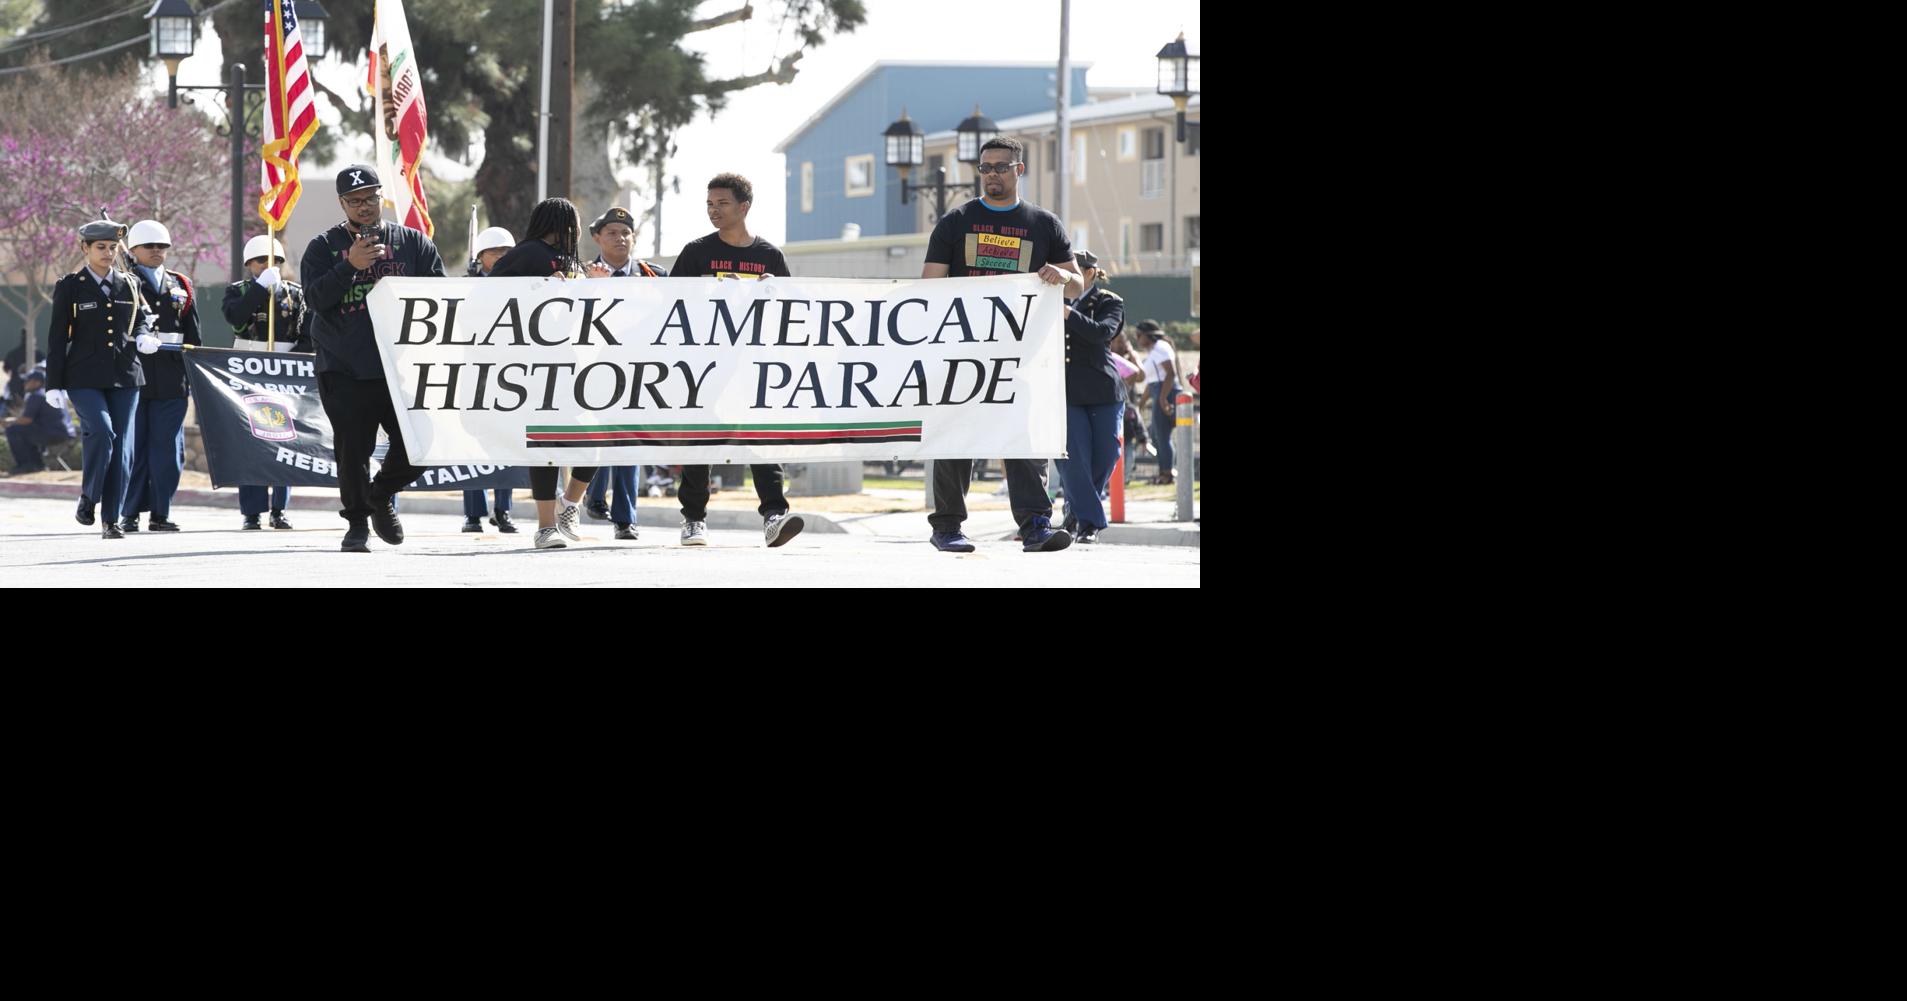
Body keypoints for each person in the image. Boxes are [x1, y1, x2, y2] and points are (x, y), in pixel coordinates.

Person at [920, 136, 1083, 553]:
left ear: (1019, 170)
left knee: (1025, 438)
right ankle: (947, 528)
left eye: (1000, 167)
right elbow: (929, 287)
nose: (992, 174)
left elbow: (1077, 282)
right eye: (985, 167)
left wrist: (1062, 277)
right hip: (963, 351)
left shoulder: (1044, 224)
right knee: (955, 437)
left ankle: (1035, 528)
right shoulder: (956, 222)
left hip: (1023, 354)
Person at [301, 164, 446, 552]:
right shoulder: (323, 247)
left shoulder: (414, 243)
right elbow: (314, 300)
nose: (363, 207)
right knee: (353, 451)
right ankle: (357, 526)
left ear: (382, 196)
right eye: (354, 201)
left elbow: (440, 300)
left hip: (401, 367)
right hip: (344, 367)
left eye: (370, 197)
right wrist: (350, 266)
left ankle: (379, 495)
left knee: (424, 444)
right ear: (342, 204)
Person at [667, 174, 804, 548]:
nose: (714, 210)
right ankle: (693, 519)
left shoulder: (769, 257)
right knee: (701, 440)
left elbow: (789, 311)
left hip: (754, 364)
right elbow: (670, 304)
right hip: (705, 362)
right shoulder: (696, 252)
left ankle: (774, 515)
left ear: (744, 207)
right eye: (709, 204)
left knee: (761, 437)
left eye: (722, 203)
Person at [486, 198, 599, 550]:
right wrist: (537, 289)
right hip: (534, 363)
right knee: (546, 443)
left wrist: (596, 285)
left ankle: (569, 504)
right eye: (574, 224)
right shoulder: (526, 253)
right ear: (563, 223)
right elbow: (490, 294)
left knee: (595, 440)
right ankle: (545, 526)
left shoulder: (573, 261)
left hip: (574, 361)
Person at [46, 215, 152, 539]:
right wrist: (53, 383)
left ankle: (111, 521)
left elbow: (140, 320)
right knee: (103, 433)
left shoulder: (131, 283)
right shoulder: (70, 286)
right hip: (84, 376)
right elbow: (56, 337)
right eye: (101, 247)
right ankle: (89, 496)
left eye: (113, 247)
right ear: (85, 248)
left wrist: (146, 335)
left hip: (126, 375)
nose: (108, 253)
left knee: (122, 450)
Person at [579, 205, 668, 541]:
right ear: (597, 238)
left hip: (639, 371)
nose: (620, 238)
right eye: (612, 232)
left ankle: (625, 518)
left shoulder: (653, 276)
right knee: (598, 439)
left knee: (628, 440)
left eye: (625, 232)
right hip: (593, 371)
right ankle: (594, 493)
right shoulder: (582, 276)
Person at [118, 219, 201, 533]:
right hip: (134, 375)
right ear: (134, 250)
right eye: (149, 246)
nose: (156, 251)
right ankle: (129, 512)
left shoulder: (181, 283)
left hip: (171, 377)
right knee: (135, 448)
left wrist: (194, 376)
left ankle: (161, 512)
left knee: (167, 450)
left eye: (162, 246)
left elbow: (194, 334)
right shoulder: (123, 282)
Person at [225, 234, 310, 530]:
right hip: (248, 371)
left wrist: (291, 361)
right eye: (261, 260)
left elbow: (305, 333)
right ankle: (252, 511)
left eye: (274, 260)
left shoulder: (296, 293)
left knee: (284, 438)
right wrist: (261, 290)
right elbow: (236, 317)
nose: (267, 265)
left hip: (283, 372)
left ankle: (279, 508)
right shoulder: (239, 291)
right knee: (251, 440)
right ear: (249, 263)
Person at [1055, 250, 1123, 544]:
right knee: (1073, 458)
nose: (1070, 276)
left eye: (1076, 270)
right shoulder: (1051, 300)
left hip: (1102, 388)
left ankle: (1075, 508)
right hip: (1066, 390)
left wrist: (1069, 314)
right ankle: (1090, 523)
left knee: (1108, 453)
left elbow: (1102, 333)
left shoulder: (1109, 301)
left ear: (1092, 272)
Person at [459, 226, 519, 533]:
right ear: (481, 256)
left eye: (508, 252)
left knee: (505, 443)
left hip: (509, 374)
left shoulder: (522, 284)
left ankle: (503, 510)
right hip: (474, 372)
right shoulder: (466, 287)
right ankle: (473, 514)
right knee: (475, 445)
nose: (503, 257)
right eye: (496, 252)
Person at [1134, 321, 1180, 485]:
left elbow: (1170, 374)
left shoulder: (1160, 346)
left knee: (1162, 436)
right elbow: (1151, 382)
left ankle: (1167, 474)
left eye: (1139, 335)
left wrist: (1162, 399)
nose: (1137, 339)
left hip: (1166, 393)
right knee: (1156, 435)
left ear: (1149, 334)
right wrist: (1141, 403)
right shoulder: (1152, 351)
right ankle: (1165, 471)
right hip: (1158, 391)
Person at [4, 367, 73, 475]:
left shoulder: (36, 396)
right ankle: (38, 465)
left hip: (53, 434)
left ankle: (26, 465)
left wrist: (7, 423)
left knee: (12, 430)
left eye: (27, 381)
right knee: (26, 431)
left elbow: (26, 420)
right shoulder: (51, 393)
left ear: (37, 382)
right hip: (64, 433)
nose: (25, 384)